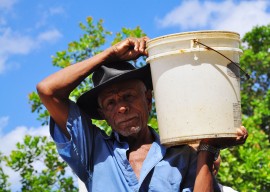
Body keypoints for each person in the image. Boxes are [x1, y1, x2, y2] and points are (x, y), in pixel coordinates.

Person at [37, 37, 248, 191]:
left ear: (148, 99)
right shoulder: (93, 150)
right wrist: (108, 55)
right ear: (103, 113)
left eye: (128, 97)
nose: (121, 107)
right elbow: (48, 91)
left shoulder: (182, 155)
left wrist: (208, 147)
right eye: (111, 102)